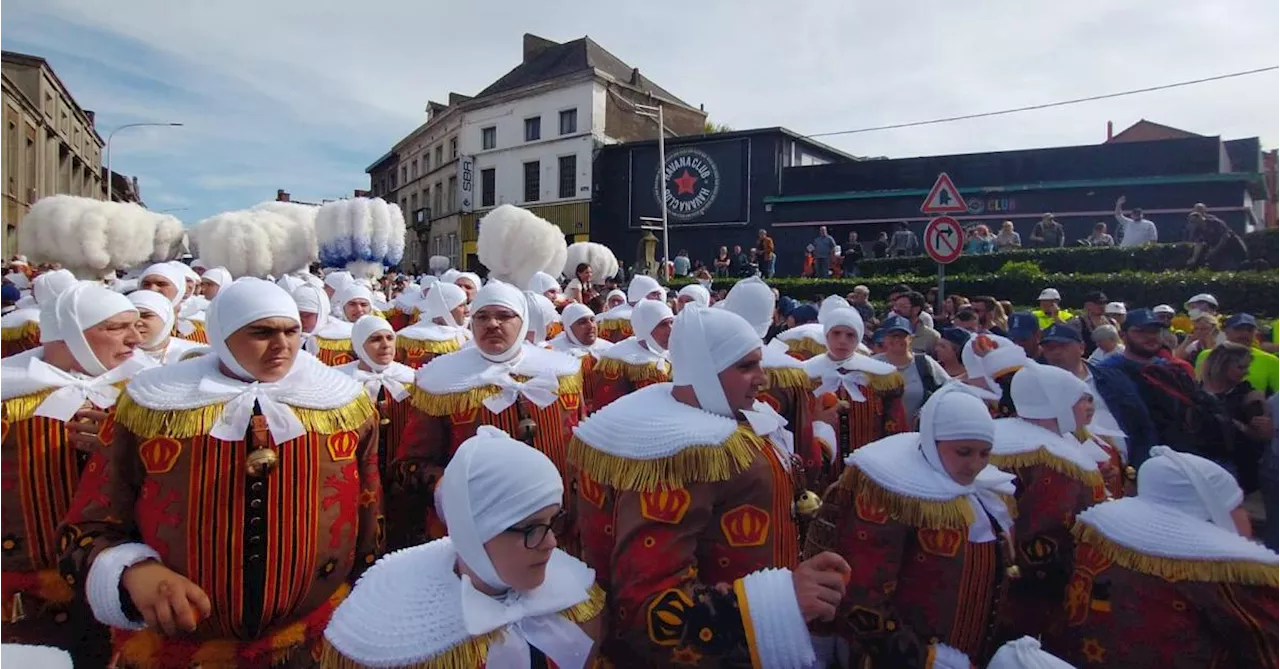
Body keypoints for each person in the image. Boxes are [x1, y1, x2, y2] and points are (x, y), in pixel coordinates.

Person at [59, 278, 383, 667]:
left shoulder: (343, 405)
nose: (282, 345)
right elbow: (87, 526)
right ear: (222, 335)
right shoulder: (149, 407)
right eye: (262, 333)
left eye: (292, 330)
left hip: (313, 641)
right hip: (181, 650)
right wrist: (132, 571)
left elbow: (370, 512)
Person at [570, 305, 851, 668]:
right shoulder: (677, 451)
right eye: (746, 366)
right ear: (705, 370)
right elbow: (649, 610)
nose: (762, 379)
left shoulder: (728, 421)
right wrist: (783, 602)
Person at [321, 426, 604, 668]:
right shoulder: (406, 646)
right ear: (473, 532)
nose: (551, 543)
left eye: (553, 521)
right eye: (531, 528)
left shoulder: (579, 605)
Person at [804, 387, 1018, 668]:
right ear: (932, 441)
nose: (975, 465)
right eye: (964, 452)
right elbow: (862, 595)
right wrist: (920, 657)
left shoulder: (987, 496)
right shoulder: (891, 495)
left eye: (984, 453)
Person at [0, 282, 146, 665]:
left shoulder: (148, 394)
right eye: (116, 327)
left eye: (136, 325)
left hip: (123, 585)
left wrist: (124, 450)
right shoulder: (8, 393)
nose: (135, 340)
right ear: (69, 334)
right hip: (24, 597)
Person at [394, 280, 583, 549]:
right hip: (478, 530)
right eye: (482, 316)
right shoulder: (440, 383)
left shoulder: (562, 373)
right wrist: (444, 488)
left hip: (558, 527)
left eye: (504, 315)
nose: (492, 324)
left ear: (523, 321)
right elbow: (410, 464)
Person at [1052, 447, 1280, 667]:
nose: (1246, 513)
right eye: (1237, 505)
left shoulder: (1100, 541)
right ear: (1211, 515)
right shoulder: (1224, 579)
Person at [991, 363, 1109, 642]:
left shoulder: (1003, 435)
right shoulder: (1056, 463)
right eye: (1081, 399)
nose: (1088, 406)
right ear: (1058, 403)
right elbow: (1045, 530)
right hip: (1041, 586)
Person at [336, 315, 415, 489]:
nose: (386, 345)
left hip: (402, 475)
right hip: (358, 474)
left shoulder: (411, 378)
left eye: (389, 338)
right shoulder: (339, 380)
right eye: (375, 339)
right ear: (359, 344)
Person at [1198, 343, 1271, 493]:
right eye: (1241, 367)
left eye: (1246, 367)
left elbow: (1262, 435)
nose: (1246, 372)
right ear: (1222, 365)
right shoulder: (1195, 390)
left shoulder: (1248, 394)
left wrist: (1239, 426)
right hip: (1199, 463)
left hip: (1234, 466)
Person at [586, 298, 672, 411]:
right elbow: (608, 406)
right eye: (663, 325)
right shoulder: (619, 359)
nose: (670, 329)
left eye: (671, 322)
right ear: (645, 327)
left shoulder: (676, 354)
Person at [549, 303, 614, 414]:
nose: (591, 326)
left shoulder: (610, 349)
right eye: (582, 322)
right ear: (568, 328)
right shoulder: (553, 352)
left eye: (592, 320)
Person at [394, 282, 469, 369]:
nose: (467, 310)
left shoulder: (466, 335)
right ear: (444, 308)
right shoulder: (414, 338)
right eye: (461, 306)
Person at [128, 290, 203, 366]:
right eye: (130, 317)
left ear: (167, 319)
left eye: (146, 316)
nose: (137, 323)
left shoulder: (196, 355)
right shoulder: (116, 359)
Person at [595, 275, 662, 344]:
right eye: (654, 294)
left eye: (659, 294)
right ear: (641, 293)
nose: (658, 298)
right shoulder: (628, 318)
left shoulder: (602, 317)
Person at [891, 291, 941, 355]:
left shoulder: (932, 337)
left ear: (916, 309)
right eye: (895, 306)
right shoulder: (886, 333)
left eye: (902, 306)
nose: (896, 310)